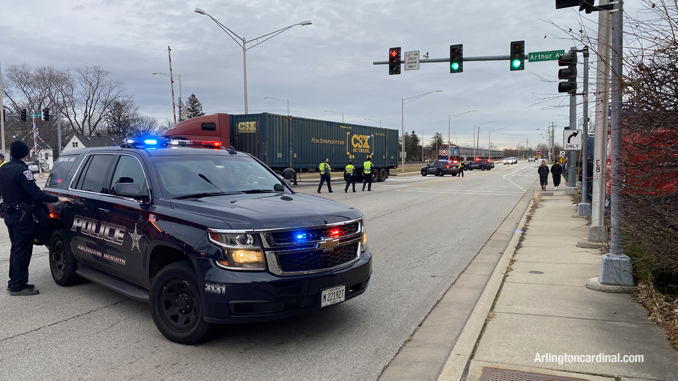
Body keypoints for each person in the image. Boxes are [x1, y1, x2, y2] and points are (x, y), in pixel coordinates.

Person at [0, 141, 69, 296]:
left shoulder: (4, 168)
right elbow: (36, 194)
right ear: (25, 154)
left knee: (16, 248)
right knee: (23, 250)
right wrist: (57, 199)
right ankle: (19, 285)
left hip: (9, 214)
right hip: (22, 216)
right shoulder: (23, 172)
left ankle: (14, 281)